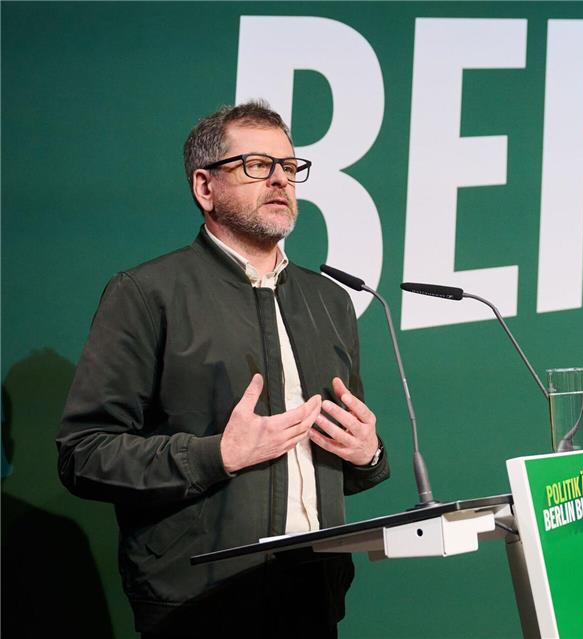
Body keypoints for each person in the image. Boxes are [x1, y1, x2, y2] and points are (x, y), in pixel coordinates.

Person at [57, 100, 389, 638]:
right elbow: (84, 454)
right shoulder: (147, 294)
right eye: (256, 165)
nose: (280, 180)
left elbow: (327, 466)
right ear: (205, 188)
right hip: (199, 608)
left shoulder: (330, 300)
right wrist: (218, 455)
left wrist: (367, 454)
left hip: (313, 597)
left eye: (289, 166)